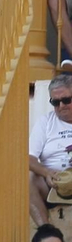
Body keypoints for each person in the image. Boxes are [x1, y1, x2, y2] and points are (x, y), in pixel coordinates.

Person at [32, 76, 72, 227]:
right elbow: (29, 157)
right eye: (55, 102)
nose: (61, 106)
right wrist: (46, 172)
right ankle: (46, 230)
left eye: (66, 100)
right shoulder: (45, 122)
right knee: (29, 177)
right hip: (54, 181)